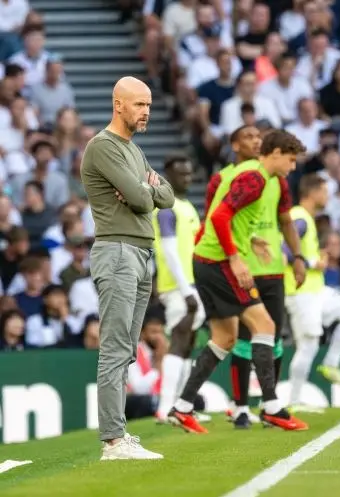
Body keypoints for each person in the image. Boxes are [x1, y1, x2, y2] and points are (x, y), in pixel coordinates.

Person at [170, 129, 308, 433]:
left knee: (225, 338)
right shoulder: (255, 179)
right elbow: (219, 216)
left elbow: (233, 219)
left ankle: (182, 407)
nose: (293, 167)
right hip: (218, 263)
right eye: (291, 159)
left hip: (209, 260)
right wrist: (234, 256)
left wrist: (253, 239)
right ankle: (271, 406)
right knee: (266, 326)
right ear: (275, 154)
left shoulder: (264, 179)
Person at [81, 76, 175, 461]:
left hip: (139, 253)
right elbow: (139, 198)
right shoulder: (103, 147)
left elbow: (165, 196)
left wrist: (145, 189)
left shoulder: (133, 151)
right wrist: (144, 189)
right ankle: (113, 441)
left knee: (127, 351)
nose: (146, 111)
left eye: (149, 104)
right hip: (117, 251)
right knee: (116, 347)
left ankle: (118, 435)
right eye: (139, 104)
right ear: (118, 104)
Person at [207, 125, 306, 429]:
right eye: (248, 136)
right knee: (242, 340)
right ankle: (239, 407)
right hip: (239, 269)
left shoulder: (278, 180)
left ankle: (268, 404)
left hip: (273, 269)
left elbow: (286, 221)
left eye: (257, 136)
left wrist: (298, 257)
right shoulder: (223, 178)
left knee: (273, 338)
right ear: (235, 145)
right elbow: (214, 219)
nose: (255, 140)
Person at [284, 174, 340, 412]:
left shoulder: (306, 218)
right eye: (325, 191)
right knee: (307, 345)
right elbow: (284, 252)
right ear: (313, 192)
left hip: (316, 290)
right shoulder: (299, 218)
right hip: (301, 292)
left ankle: (331, 364)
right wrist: (312, 262)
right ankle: (294, 401)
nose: (327, 197)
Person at [153, 154, 207, 424]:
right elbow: (169, 251)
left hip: (191, 284)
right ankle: (165, 408)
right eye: (180, 174)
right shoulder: (166, 206)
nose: (186, 178)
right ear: (167, 177)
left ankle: (181, 407)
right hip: (177, 286)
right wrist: (186, 290)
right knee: (178, 342)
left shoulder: (186, 206)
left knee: (187, 346)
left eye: (188, 174)